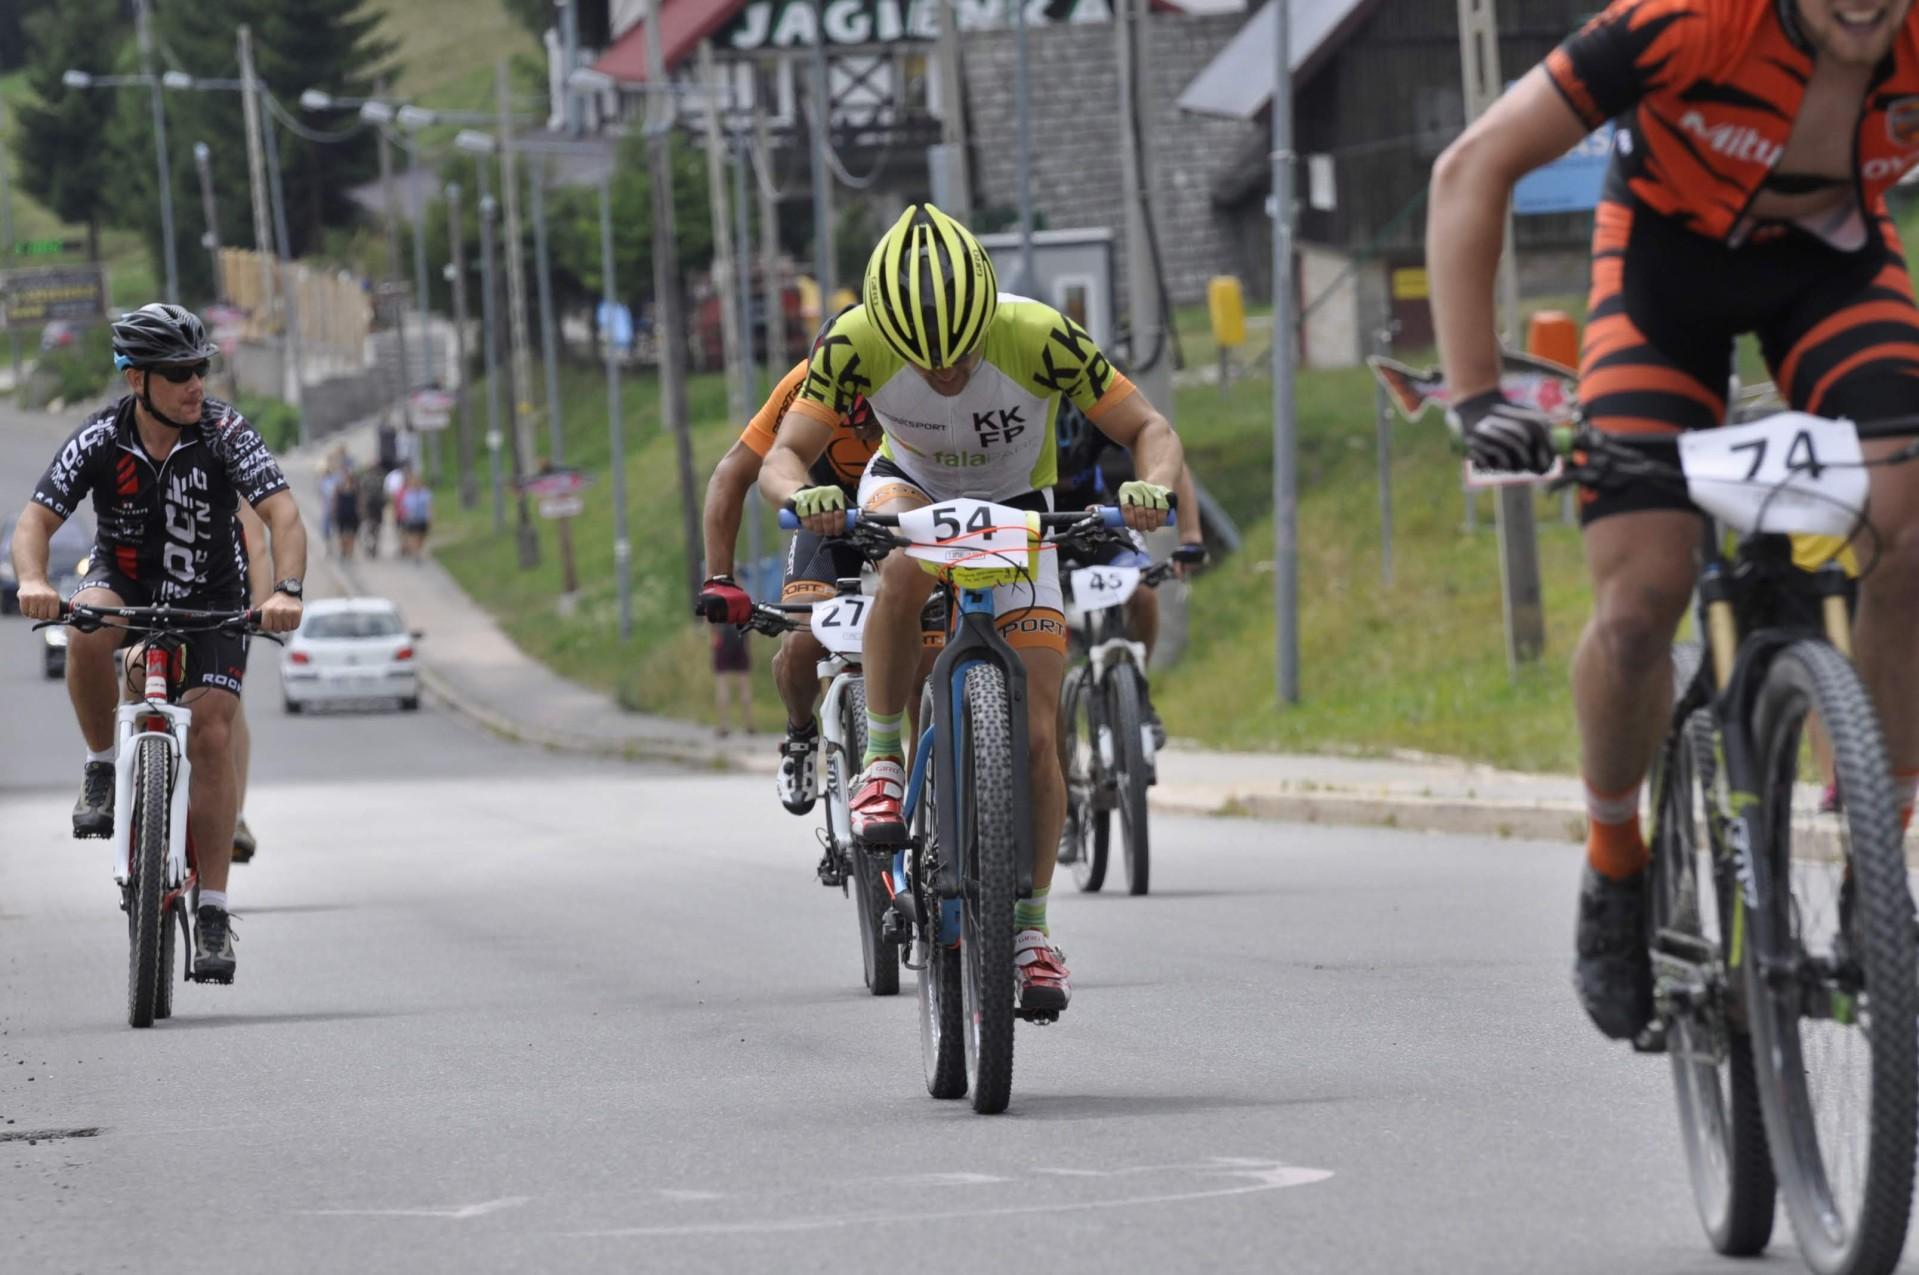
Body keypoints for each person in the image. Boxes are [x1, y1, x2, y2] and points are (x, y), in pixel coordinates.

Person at [1427, 0, 1919, 1040]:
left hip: (1831, 267)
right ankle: (1614, 860)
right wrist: (1475, 398)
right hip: (1661, 271)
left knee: (1906, 534)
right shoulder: (1688, 20)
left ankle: (1875, 869)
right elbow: (1472, 165)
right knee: (1639, 597)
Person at [760, 203, 1186, 1016]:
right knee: (903, 564)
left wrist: (1152, 485)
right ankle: (882, 763)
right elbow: (783, 454)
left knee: (1038, 740)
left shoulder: (1040, 334)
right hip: (909, 487)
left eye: (960, 356)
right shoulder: (854, 339)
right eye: (926, 364)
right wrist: (803, 493)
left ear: (987, 316)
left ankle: (1030, 930)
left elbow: (1149, 428)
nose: (946, 373)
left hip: (1018, 508)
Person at [8, 303, 306, 982]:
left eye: (200, 369)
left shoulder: (226, 431)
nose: (195, 384)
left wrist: (285, 590)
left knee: (212, 733)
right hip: (126, 582)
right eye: (178, 373)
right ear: (136, 379)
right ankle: (100, 767)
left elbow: (283, 514)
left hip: (213, 597)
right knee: (84, 627)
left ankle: (213, 910)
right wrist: (32, 579)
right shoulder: (100, 437)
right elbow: (34, 522)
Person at [697, 338, 884, 817]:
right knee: (802, 642)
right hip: (823, 517)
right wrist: (719, 577)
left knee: (930, 639)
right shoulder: (802, 383)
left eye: (872, 421)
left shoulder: (914, 375)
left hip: (897, 514)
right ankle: (801, 735)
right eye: (851, 420)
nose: (863, 433)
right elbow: (731, 473)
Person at [1052, 397, 1207, 742]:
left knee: (1143, 593)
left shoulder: (1091, 412)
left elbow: (1168, 459)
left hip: (1093, 516)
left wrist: (1191, 538)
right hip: (1037, 518)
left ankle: (1137, 694)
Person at [711, 622, 753, 736]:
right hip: (740, 636)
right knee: (744, 684)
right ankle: (749, 724)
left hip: (722, 637)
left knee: (722, 684)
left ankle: (724, 725)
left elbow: (711, 620)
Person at [330, 456, 361, 560]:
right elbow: (335, 500)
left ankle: (350, 551)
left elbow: (359, 500)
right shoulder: (339, 488)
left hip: (352, 513)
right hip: (342, 512)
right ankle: (343, 550)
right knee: (341, 533)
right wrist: (334, 511)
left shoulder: (355, 487)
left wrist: (360, 510)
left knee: (352, 533)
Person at [398, 470, 432, 560]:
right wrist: (405, 516)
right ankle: (416, 554)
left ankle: (417, 549)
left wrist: (429, 516)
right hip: (412, 519)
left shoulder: (425, 493)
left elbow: (429, 506)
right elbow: (404, 506)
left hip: (422, 518)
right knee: (414, 536)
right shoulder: (409, 494)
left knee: (422, 537)